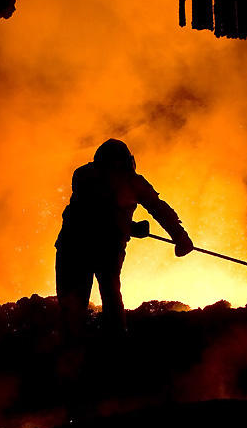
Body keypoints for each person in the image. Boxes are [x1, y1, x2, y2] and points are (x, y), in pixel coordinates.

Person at [55, 139, 194, 342]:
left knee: (72, 307)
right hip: (104, 247)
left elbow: (93, 212)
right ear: (127, 161)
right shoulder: (131, 182)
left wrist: (129, 227)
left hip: (72, 246)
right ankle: (115, 352)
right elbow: (156, 208)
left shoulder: (83, 175)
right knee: (111, 298)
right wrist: (180, 237)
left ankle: (70, 359)